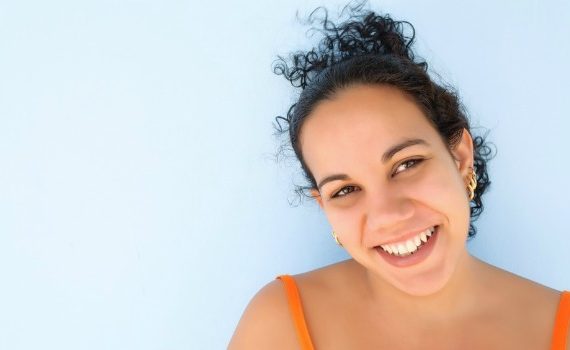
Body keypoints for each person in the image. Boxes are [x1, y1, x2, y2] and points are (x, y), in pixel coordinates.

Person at [229, 3, 569, 349]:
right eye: (345, 190)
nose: (388, 214)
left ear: (460, 155)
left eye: (407, 164)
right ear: (323, 206)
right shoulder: (279, 322)